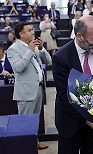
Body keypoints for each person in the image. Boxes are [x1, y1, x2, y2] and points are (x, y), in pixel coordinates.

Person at [52, 15, 93, 154]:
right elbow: (64, 97)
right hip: (70, 123)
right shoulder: (61, 57)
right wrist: (87, 120)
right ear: (80, 36)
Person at [7, 22, 52, 150]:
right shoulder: (13, 49)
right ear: (21, 34)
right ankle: (24, 147)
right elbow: (18, 68)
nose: (33, 32)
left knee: (35, 121)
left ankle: (34, 143)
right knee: (24, 123)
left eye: (32, 29)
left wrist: (41, 49)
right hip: (25, 92)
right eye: (29, 30)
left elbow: (49, 61)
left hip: (38, 89)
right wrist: (30, 51)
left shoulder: (34, 45)